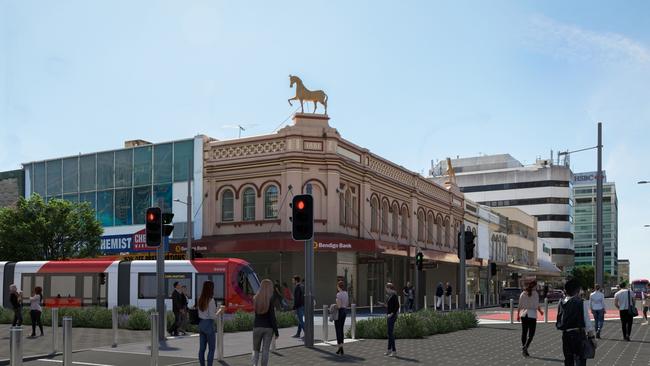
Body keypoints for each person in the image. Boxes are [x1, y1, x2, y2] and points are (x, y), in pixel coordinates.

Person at [557, 278, 594, 366]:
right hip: (578, 335)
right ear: (577, 290)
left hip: (566, 335)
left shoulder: (561, 302)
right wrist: (592, 337)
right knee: (581, 359)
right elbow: (587, 321)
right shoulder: (580, 302)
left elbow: (559, 319)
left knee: (568, 360)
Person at [252, 279, 279, 366]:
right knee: (265, 350)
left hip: (257, 327)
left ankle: (254, 365)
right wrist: (276, 331)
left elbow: (255, 314)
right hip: (268, 328)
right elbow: (272, 317)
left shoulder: (255, 298)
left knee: (255, 349)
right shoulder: (271, 299)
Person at [517, 281, 543, 357]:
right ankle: (526, 346)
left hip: (524, 314)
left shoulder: (523, 294)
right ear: (534, 286)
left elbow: (519, 305)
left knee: (524, 332)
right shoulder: (535, 294)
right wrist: (540, 311)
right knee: (531, 334)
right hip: (532, 315)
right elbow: (536, 304)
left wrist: (518, 315)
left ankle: (524, 348)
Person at [197, 280, 217, 366]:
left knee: (202, 349)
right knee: (211, 349)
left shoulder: (200, 298)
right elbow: (212, 316)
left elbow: (199, 313)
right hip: (209, 325)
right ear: (211, 288)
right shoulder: (211, 300)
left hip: (201, 324)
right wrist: (219, 311)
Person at [334, 280, 349, 355]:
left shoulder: (338, 294)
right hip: (345, 311)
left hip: (339, 312)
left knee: (338, 329)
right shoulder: (346, 293)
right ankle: (341, 347)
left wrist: (334, 305)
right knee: (341, 328)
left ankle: (340, 346)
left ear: (338, 286)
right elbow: (347, 304)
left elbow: (339, 306)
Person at [385, 282, 399, 357]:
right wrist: (386, 305)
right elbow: (391, 305)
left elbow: (397, 306)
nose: (386, 290)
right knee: (389, 333)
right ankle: (389, 349)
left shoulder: (394, 295)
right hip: (389, 316)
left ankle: (394, 351)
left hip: (392, 316)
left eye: (386, 288)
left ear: (389, 288)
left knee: (390, 333)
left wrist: (392, 313)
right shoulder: (390, 295)